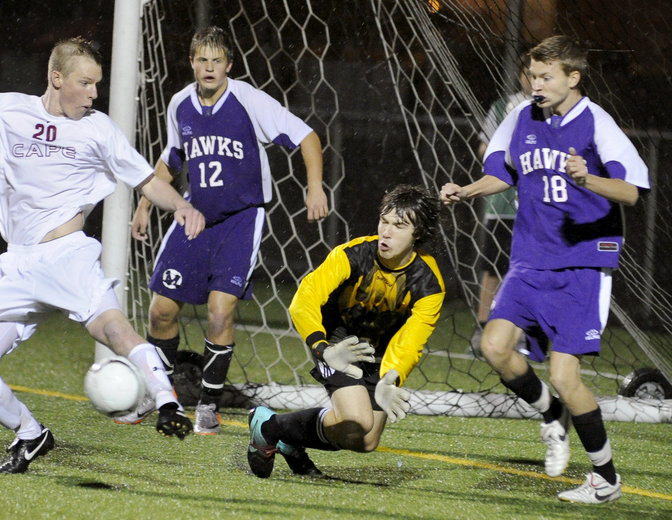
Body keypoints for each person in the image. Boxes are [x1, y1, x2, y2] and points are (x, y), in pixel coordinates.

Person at [0, 37, 206, 474]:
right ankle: (32, 435)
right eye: (85, 83)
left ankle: (169, 403)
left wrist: (182, 205)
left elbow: (147, 180)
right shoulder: (7, 110)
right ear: (57, 78)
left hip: (68, 256)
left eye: (97, 84)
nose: (93, 93)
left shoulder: (98, 129)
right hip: (17, 265)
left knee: (114, 329)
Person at [440, 35, 649, 504]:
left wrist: (588, 178)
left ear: (573, 78)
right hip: (529, 260)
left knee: (565, 375)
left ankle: (606, 478)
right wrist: (467, 190)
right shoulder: (522, 116)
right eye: (532, 76)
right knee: (495, 347)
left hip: (581, 265)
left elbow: (633, 191)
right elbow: (504, 173)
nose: (535, 85)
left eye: (546, 77)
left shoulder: (597, 122)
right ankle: (551, 413)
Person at [119, 26, 329, 434]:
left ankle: (209, 404)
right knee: (161, 311)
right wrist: (145, 202)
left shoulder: (248, 100)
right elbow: (172, 158)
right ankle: (159, 395)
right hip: (194, 216)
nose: (209, 67)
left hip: (240, 220)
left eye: (218, 61)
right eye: (202, 60)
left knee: (219, 311)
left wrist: (315, 187)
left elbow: (308, 137)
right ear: (192, 63)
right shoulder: (180, 103)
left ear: (229, 65)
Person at [246, 184, 445, 478]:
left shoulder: (429, 283)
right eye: (384, 221)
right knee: (357, 420)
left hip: (378, 354)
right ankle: (269, 428)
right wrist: (323, 348)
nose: (386, 232)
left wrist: (392, 378)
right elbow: (305, 298)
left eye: (399, 226)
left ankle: (281, 432)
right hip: (338, 344)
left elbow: (409, 341)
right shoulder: (352, 255)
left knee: (364, 441)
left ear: (419, 234)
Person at [470, 57, 531, 355]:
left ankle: (523, 332)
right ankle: (482, 328)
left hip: (536, 207)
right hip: (502, 204)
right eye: (529, 74)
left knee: (527, 268)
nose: (534, 80)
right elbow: (484, 148)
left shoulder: (556, 110)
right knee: (493, 266)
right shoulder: (502, 106)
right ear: (521, 76)